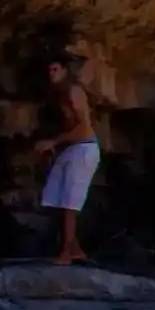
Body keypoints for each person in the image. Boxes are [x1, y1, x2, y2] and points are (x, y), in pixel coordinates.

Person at [35, 56, 99, 266]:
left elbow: (83, 128)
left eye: (55, 69)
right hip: (71, 149)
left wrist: (53, 142)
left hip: (84, 149)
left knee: (70, 203)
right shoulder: (59, 95)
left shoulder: (74, 91)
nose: (51, 74)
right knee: (54, 196)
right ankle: (76, 249)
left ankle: (66, 254)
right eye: (49, 71)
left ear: (64, 70)